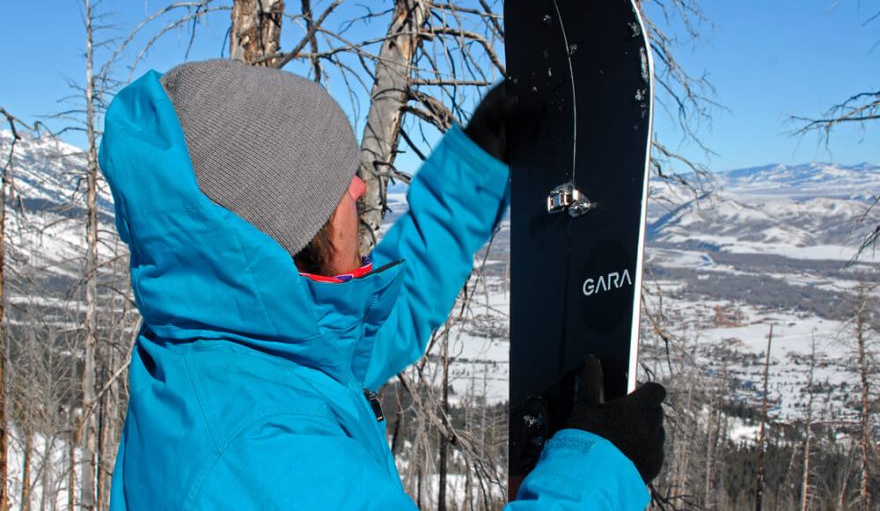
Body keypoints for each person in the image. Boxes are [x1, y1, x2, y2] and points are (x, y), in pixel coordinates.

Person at [101, 59, 664, 510]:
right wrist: (599, 472)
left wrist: (476, 164)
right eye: (335, 184)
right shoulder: (267, 461)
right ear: (289, 228)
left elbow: (373, 324)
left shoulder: (228, 346)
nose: (360, 189)